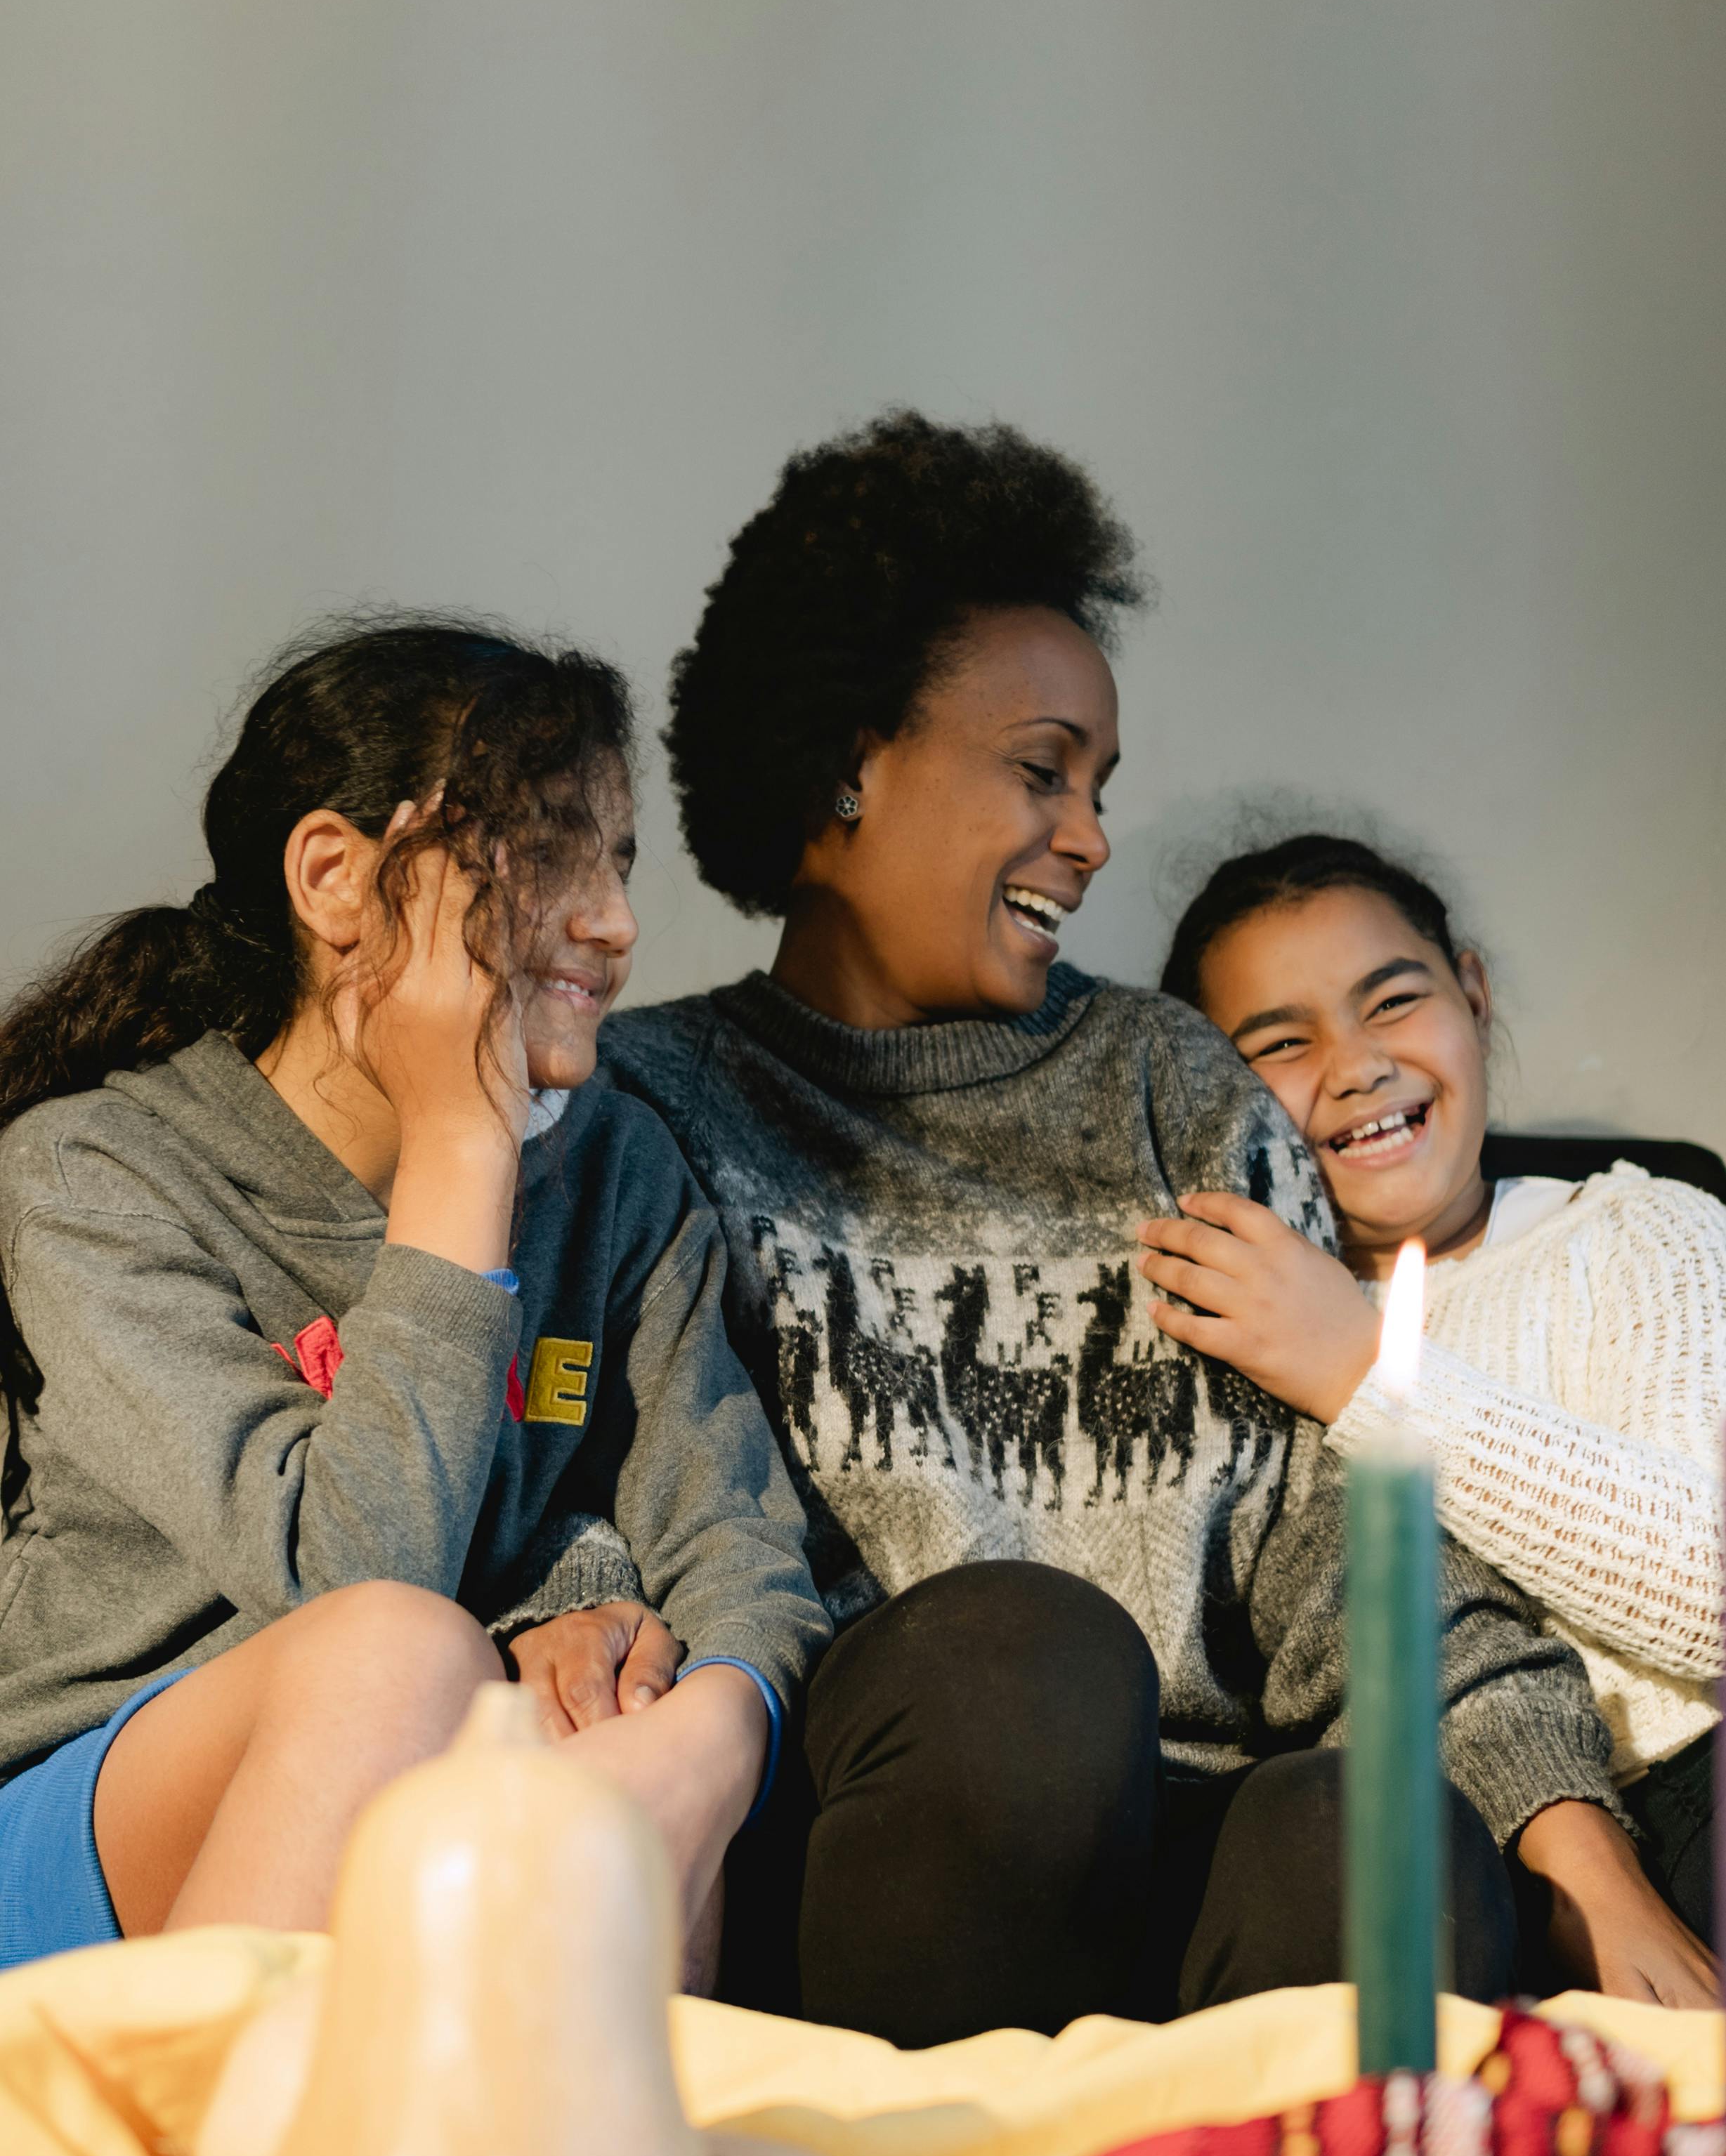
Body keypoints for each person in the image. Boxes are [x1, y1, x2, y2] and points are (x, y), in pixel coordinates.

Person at [598, 410, 1648, 2044]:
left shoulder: (1168, 1086)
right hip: (863, 1861)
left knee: (1379, 1829)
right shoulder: (648, 1104)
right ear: (844, 768)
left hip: (1192, 1864)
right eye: (1039, 770)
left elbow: (1346, 1553)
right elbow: (577, 1516)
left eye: (1097, 783)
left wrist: (1591, 1867)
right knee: (1024, 1661)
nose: (1089, 838)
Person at [0, 618, 828, 1976]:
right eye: (546, 848)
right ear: (336, 876)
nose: (614, 924)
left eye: (618, 862)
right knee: (401, 1654)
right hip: (87, 1827)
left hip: (428, 1777)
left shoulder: (619, 1171)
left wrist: (704, 1736)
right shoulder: (96, 1173)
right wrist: (463, 1141)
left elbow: (740, 1551)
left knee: (620, 1710)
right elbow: (353, 1579)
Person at [1148, 830, 1723, 1997]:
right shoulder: (1216, 1330)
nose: (1355, 1065)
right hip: (1442, 1854)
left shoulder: (1634, 1232)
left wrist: (1366, 1372)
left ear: (1471, 992)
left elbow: (1708, 1591)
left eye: (1392, 1000)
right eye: (1280, 1042)